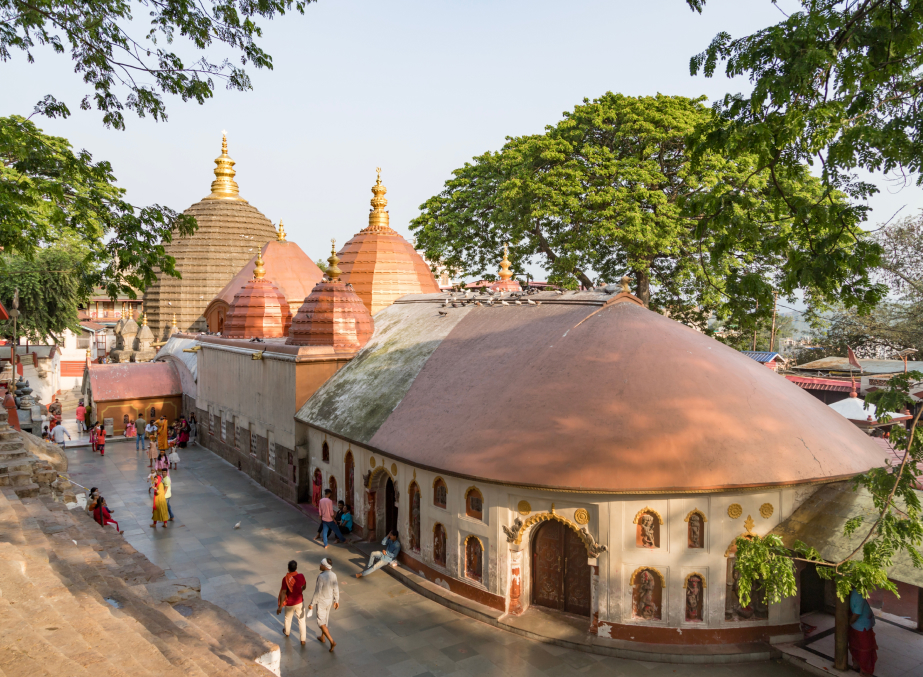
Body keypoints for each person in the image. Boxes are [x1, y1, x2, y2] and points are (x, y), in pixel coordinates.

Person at [309, 558, 339, 652]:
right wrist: (336, 600)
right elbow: (336, 588)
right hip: (329, 601)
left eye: (321, 564)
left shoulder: (321, 577)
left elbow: (318, 592)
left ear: (325, 566)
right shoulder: (334, 575)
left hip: (321, 601)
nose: (319, 565)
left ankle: (331, 641)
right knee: (325, 619)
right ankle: (322, 637)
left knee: (321, 622)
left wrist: (312, 603)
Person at [276, 559, 307, 646]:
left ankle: (287, 632)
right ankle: (303, 639)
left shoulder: (285, 579)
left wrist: (280, 606)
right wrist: (301, 590)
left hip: (289, 603)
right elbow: (304, 586)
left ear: (288, 568)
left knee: (287, 619)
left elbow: (283, 592)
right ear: (296, 568)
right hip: (299, 602)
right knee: (301, 620)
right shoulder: (301, 576)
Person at [849, 588, 877, 676]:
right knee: (865, 649)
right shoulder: (858, 594)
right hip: (862, 626)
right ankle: (864, 671)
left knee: (855, 644)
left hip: (858, 626)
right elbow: (857, 614)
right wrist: (849, 622)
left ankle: (856, 663)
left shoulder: (853, 592)